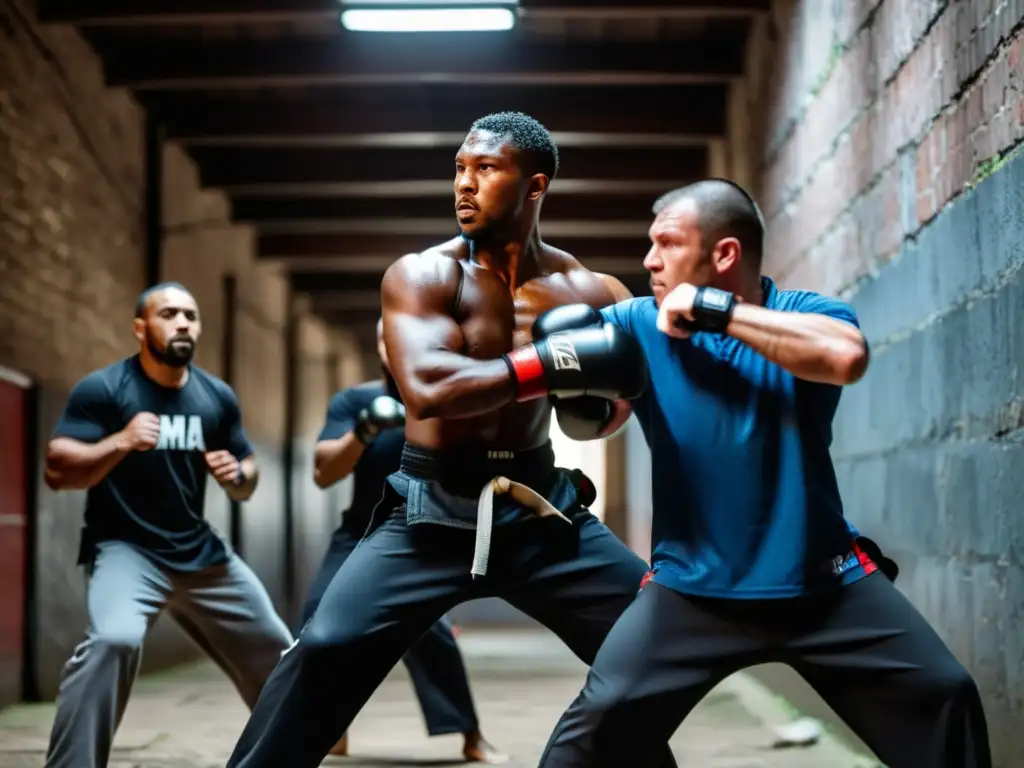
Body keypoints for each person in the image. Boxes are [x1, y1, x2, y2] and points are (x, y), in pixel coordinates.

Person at [225, 111, 678, 767]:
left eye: (485, 169)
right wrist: (548, 365)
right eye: (459, 169)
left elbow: (622, 404)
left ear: (534, 185)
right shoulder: (422, 276)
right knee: (324, 648)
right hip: (429, 512)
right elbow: (430, 389)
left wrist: (603, 412)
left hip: (540, 508)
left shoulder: (594, 291)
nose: (464, 184)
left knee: (654, 644)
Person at [537, 179, 992, 768]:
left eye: (667, 244)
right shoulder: (636, 323)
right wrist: (579, 404)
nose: (649, 260)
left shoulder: (808, 314)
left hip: (825, 585)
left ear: (723, 254)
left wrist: (712, 311)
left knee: (945, 696)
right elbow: (601, 419)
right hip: (690, 591)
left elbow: (845, 358)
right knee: (595, 728)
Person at [42, 282, 293, 768]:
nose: (182, 323)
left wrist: (237, 475)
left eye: (191, 316)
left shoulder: (215, 396)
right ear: (141, 327)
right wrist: (119, 442)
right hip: (126, 550)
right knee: (114, 640)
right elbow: (57, 468)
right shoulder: (106, 389)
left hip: (200, 553)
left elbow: (249, 473)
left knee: (280, 652)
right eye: (169, 314)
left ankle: (284, 754)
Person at [303, 317, 506, 763]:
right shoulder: (356, 401)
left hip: (419, 538)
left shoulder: (446, 401)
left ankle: (470, 734)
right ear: (379, 345)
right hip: (359, 533)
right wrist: (362, 432)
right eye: (384, 336)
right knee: (316, 621)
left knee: (430, 633)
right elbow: (323, 472)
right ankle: (327, 729)